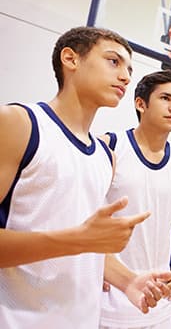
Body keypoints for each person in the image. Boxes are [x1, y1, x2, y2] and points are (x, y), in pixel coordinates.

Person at [0, 26, 159, 329]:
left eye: (129, 69)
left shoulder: (105, 155)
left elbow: (85, 245)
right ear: (70, 59)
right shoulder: (18, 123)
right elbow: (76, 240)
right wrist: (75, 241)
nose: (126, 76)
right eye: (114, 61)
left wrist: (128, 281)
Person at [99, 70, 171, 329]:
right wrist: (95, 263)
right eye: (165, 98)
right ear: (140, 104)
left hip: (160, 303)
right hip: (109, 298)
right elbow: (80, 210)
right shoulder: (110, 146)